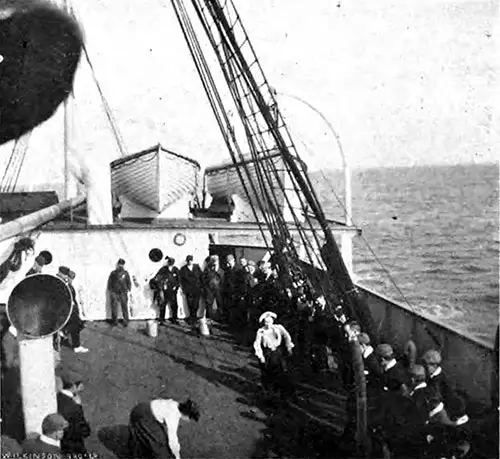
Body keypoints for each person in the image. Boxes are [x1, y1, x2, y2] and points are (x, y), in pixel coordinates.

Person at [128, 398, 200, 459]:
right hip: (144, 416)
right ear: (187, 415)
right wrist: (177, 456)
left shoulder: (174, 403)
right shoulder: (173, 416)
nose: (189, 421)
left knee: (152, 437)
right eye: (190, 418)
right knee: (160, 447)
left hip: (141, 408)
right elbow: (172, 439)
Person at [253, 311, 295, 399]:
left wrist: (289, 347)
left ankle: (283, 393)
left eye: (269, 322)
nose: (268, 324)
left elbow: (287, 336)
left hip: (278, 353)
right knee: (269, 373)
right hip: (268, 354)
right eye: (266, 322)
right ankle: (269, 393)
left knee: (282, 371)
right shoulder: (261, 331)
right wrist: (261, 356)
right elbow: (257, 344)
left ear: (272, 321)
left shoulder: (278, 328)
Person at [57, 372, 91, 455]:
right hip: (73, 447)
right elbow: (84, 431)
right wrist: (79, 406)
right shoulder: (74, 407)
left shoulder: (57, 397)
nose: (82, 388)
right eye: (80, 386)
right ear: (73, 386)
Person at [59, 267, 88, 353]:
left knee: (77, 325)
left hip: (71, 308)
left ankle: (65, 333)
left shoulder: (66, 283)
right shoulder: (62, 283)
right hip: (68, 309)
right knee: (77, 324)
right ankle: (68, 335)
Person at [153, 257, 181, 325]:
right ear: (168, 262)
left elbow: (179, 279)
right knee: (163, 305)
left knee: (174, 305)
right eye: (169, 262)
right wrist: (161, 285)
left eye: (172, 262)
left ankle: (174, 318)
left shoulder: (176, 269)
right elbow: (157, 278)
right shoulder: (163, 269)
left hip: (173, 291)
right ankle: (162, 319)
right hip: (164, 291)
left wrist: (176, 286)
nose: (170, 263)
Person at [107, 258, 132, 326]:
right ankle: (115, 321)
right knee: (114, 307)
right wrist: (110, 290)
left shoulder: (126, 273)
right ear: (118, 264)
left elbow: (129, 281)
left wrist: (129, 288)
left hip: (123, 292)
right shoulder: (113, 273)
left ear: (123, 265)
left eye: (122, 264)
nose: (120, 266)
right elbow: (110, 281)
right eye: (119, 264)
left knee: (124, 307)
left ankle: (126, 321)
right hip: (114, 292)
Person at [179, 255, 203, 325]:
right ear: (186, 261)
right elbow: (181, 280)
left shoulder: (197, 267)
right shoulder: (183, 269)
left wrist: (201, 286)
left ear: (192, 260)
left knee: (196, 304)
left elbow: (201, 277)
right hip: (188, 289)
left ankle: (194, 317)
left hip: (197, 289)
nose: (190, 261)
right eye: (188, 260)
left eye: (191, 260)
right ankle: (191, 318)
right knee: (190, 304)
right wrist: (182, 288)